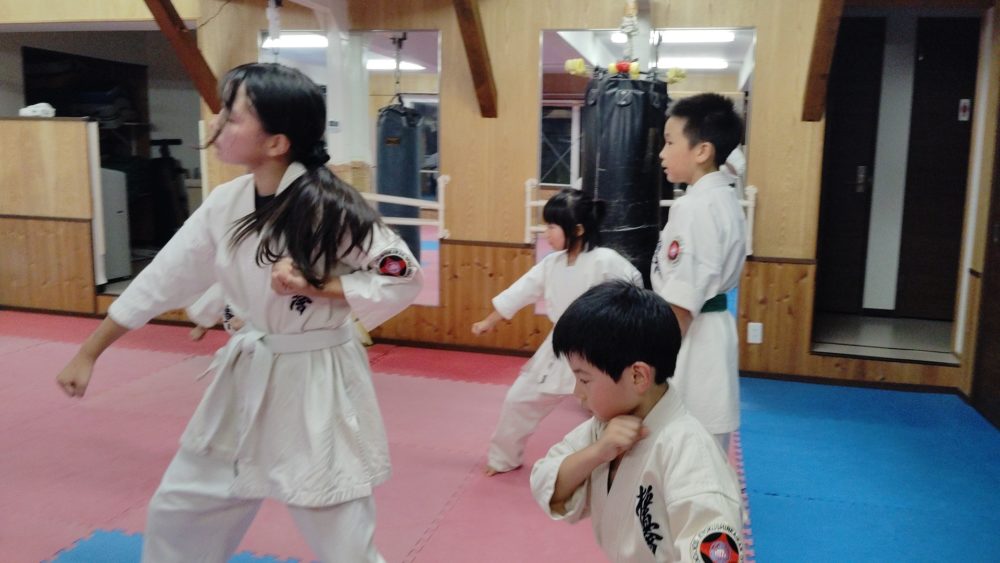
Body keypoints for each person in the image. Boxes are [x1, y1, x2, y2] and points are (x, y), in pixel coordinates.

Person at [55, 63, 422, 562]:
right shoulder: (226, 203)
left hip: (316, 380)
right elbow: (163, 277)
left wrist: (321, 285)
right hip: (247, 374)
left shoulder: (331, 207)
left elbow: (401, 273)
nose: (216, 123)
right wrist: (90, 351)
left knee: (339, 533)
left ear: (276, 143)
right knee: (182, 507)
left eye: (232, 115)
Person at [530, 281, 744, 562]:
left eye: (584, 379)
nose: (576, 392)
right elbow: (545, 481)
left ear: (637, 376)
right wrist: (597, 453)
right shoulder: (605, 428)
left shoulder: (690, 453)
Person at [471, 189, 642, 476]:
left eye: (552, 226)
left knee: (609, 413)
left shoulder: (606, 261)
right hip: (559, 345)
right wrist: (489, 320)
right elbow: (521, 291)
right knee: (519, 400)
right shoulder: (551, 264)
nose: (546, 233)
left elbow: (633, 294)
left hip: (600, 348)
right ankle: (503, 459)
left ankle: (621, 469)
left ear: (577, 229)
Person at [652, 93, 747, 454]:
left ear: (702, 151)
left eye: (669, 142)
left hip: (690, 336)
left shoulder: (695, 207)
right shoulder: (723, 198)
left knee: (686, 451)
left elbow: (683, 297)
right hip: (710, 331)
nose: (662, 153)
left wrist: (654, 361)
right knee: (704, 450)